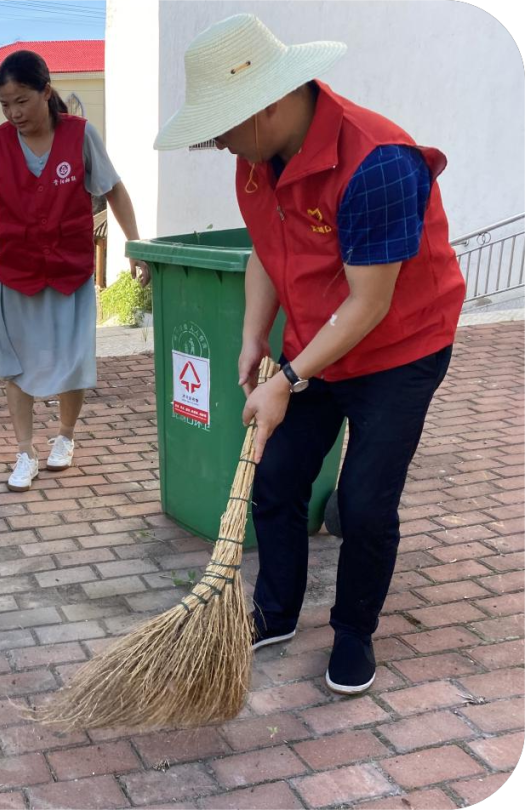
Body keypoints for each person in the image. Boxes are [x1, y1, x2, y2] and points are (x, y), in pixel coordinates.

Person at [154, 15, 465, 695]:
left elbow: (370, 304)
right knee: (277, 477)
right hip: (315, 344)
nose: (217, 144)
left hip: (400, 348)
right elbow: (266, 254)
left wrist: (289, 379)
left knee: (363, 502)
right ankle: (277, 609)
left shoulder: (378, 162)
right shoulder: (257, 161)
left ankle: (354, 632)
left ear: (263, 106)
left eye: (221, 128)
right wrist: (251, 342)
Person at [0, 50, 148, 492]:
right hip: (17, 275)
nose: (14, 113)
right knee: (16, 364)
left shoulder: (79, 135)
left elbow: (114, 190)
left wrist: (134, 243)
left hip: (70, 272)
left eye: (22, 101)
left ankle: (65, 438)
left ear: (46, 91)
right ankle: (24, 451)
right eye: (5, 104)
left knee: (73, 360)